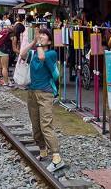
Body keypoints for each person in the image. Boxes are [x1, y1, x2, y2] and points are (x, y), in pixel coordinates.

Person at [19, 27, 64, 173]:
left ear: (50, 40)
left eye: (45, 34)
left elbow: (42, 57)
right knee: (35, 125)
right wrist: (33, 41)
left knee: (46, 124)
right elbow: (22, 54)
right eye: (41, 33)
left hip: (46, 93)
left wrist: (38, 44)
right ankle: (43, 150)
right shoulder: (33, 52)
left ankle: (57, 158)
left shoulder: (51, 53)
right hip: (32, 92)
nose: (42, 36)